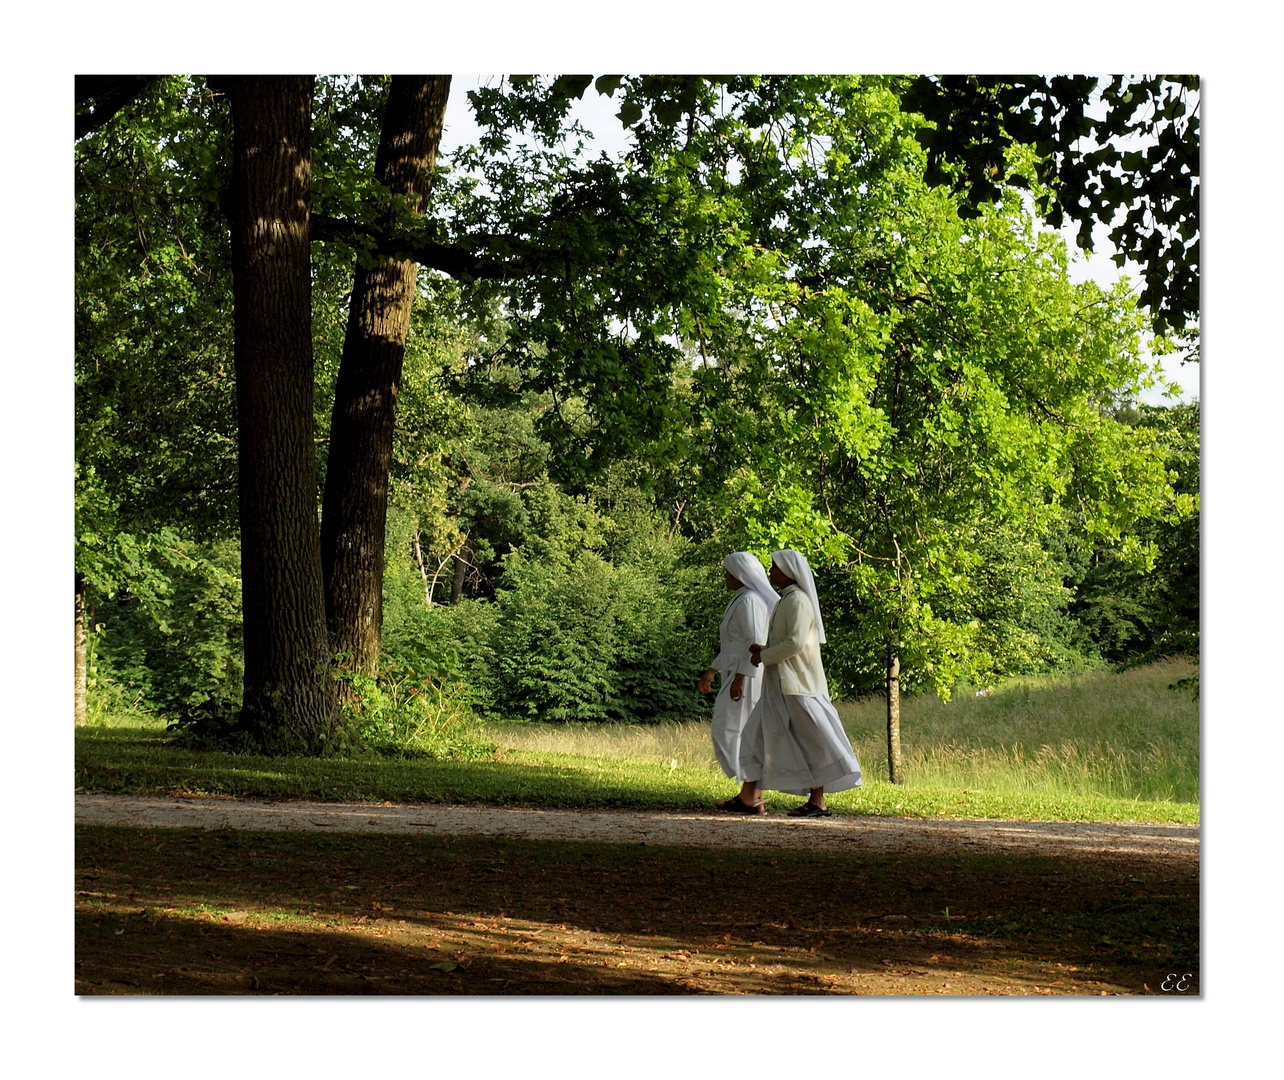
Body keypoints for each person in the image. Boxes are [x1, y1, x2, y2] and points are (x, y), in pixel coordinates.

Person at [726, 548, 861, 817]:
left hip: (799, 685)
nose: (771, 572)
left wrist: (762, 656)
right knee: (756, 735)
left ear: (788, 572)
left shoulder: (798, 601)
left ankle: (818, 801)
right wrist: (762, 649)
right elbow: (786, 641)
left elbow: (797, 643)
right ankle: (748, 796)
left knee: (813, 738)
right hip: (780, 685)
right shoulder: (786, 600)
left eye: (775, 568)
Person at [700, 553, 778, 814]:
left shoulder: (751, 602)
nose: (726, 578)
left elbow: (754, 644)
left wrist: (741, 678)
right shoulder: (742, 600)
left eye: (730, 573)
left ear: (741, 575)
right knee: (735, 731)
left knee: (732, 730)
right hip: (735, 674)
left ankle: (751, 791)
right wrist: (713, 670)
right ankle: (750, 794)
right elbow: (733, 645)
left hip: (746, 679)